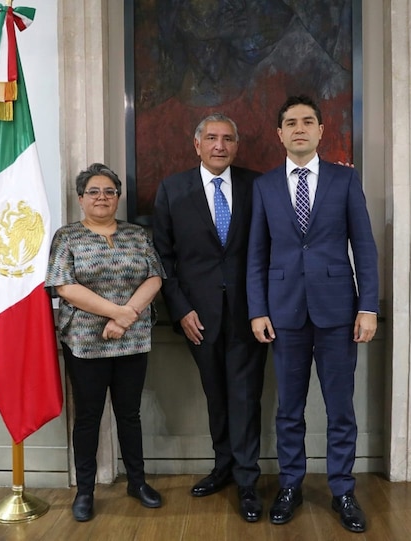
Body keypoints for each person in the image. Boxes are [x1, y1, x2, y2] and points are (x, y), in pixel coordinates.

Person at [246, 95, 378, 533]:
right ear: (279, 133)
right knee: (289, 409)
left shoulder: (345, 181)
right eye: (290, 122)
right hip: (283, 313)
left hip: (339, 311)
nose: (299, 128)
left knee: (341, 409)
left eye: (307, 122)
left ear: (322, 131)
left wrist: (368, 306)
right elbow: (256, 255)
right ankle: (290, 485)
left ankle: (342, 490)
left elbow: (364, 247)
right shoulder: (264, 187)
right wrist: (257, 310)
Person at [152, 114, 269, 522]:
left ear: (237, 146)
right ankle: (223, 468)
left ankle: (248, 481)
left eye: (228, 139)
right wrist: (180, 308)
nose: (220, 145)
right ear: (197, 144)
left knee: (245, 398)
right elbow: (162, 258)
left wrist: (263, 308)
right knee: (216, 397)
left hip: (250, 316)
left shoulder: (259, 186)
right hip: (197, 317)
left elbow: (271, 250)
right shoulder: (172, 189)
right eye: (212, 138)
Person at [46, 163, 164, 522]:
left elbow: (155, 276)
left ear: (117, 197)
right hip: (84, 342)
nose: (102, 197)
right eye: (94, 192)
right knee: (88, 417)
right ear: (81, 199)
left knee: (129, 414)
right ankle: (85, 490)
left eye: (109, 191)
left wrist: (126, 316)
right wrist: (118, 313)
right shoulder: (67, 236)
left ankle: (137, 482)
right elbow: (64, 287)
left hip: (133, 339)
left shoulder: (137, 234)